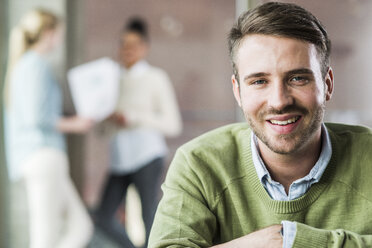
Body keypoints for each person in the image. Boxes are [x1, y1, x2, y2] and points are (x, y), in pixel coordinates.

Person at [148, 2, 372, 248]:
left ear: (327, 84)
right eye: (259, 81)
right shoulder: (199, 163)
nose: (279, 101)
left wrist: (292, 241)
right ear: (238, 91)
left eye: (298, 78)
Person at [4, 8, 93, 248]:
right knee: (45, 237)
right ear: (49, 33)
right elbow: (37, 117)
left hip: (38, 158)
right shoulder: (35, 66)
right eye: (60, 33)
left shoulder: (23, 65)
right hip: (43, 156)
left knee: (80, 227)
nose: (61, 39)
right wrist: (75, 124)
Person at [94, 17, 182, 248]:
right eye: (123, 44)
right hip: (119, 160)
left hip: (147, 156)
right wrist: (109, 119)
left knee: (149, 217)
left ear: (144, 48)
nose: (127, 50)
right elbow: (101, 131)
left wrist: (135, 117)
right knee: (103, 217)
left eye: (133, 45)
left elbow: (173, 124)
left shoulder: (155, 78)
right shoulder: (110, 79)